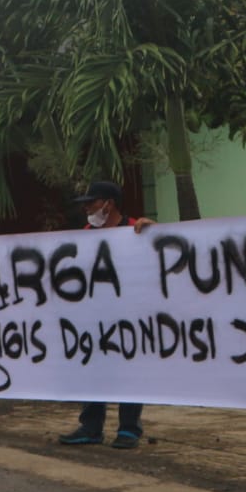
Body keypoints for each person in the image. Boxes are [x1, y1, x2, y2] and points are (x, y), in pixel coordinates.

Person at [58, 180, 155, 450]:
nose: (87, 207)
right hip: (94, 316)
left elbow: (163, 250)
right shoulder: (86, 234)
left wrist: (154, 233)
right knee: (92, 368)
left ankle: (128, 429)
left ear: (108, 204)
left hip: (130, 315)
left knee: (129, 369)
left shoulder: (135, 229)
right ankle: (91, 427)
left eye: (92, 202)